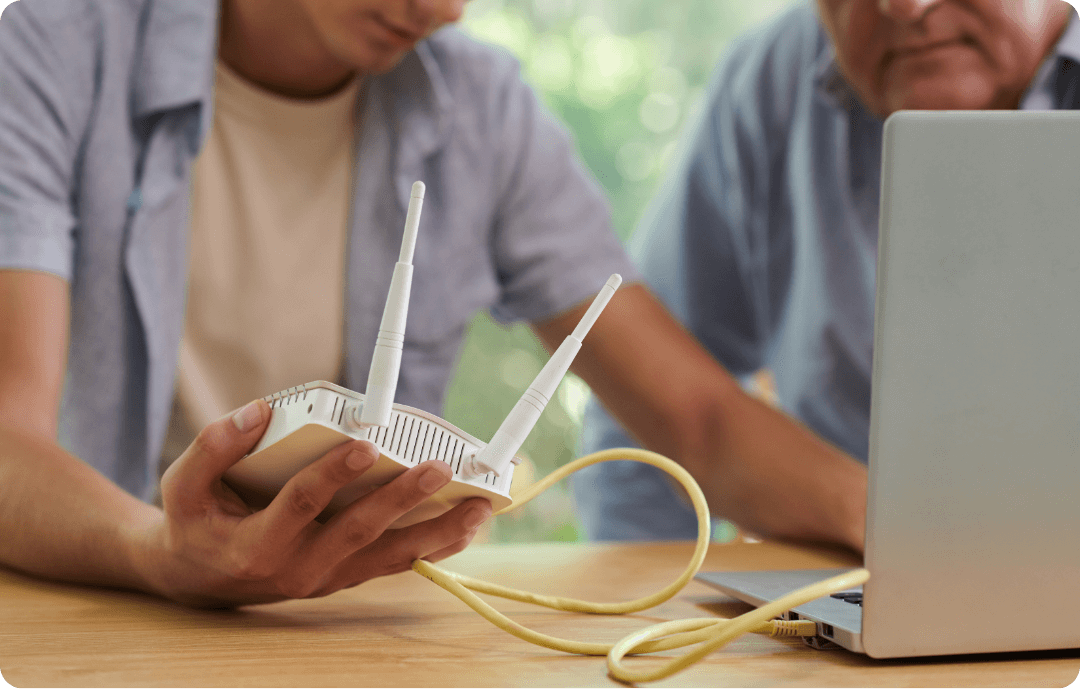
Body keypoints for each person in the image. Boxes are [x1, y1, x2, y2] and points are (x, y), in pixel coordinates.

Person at [0, 0, 872, 609]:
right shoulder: (49, 44)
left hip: (357, 632)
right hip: (103, 610)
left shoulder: (479, 108)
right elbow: (9, 436)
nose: (447, 8)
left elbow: (699, 417)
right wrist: (158, 556)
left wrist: (897, 524)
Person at [572, 0, 1080, 542]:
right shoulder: (772, 82)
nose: (904, 7)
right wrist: (657, 609)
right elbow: (641, 410)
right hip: (851, 585)